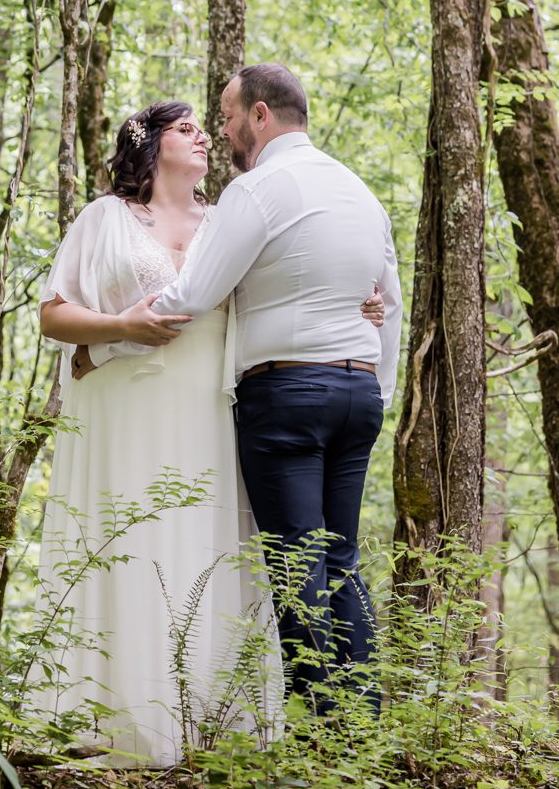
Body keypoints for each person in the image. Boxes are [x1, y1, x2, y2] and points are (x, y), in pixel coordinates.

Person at [29, 99, 386, 764]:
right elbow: (54, 314)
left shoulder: (231, 219)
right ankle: (116, 721)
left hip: (210, 411)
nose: (204, 138)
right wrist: (115, 332)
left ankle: (215, 725)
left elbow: (293, 283)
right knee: (130, 540)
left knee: (208, 544)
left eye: (206, 127)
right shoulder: (102, 218)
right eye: (186, 128)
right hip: (123, 409)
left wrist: (359, 301)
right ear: (148, 141)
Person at [105, 63, 404, 715]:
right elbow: (392, 306)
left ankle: (321, 732)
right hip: (356, 397)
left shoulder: (257, 190)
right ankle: (365, 722)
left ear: (261, 116)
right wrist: (377, 390)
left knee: (297, 560)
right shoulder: (360, 193)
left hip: (288, 397)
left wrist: (115, 332)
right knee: (341, 558)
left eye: (229, 113)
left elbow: (198, 293)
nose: (224, 128)